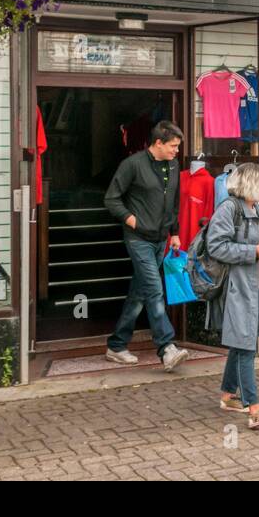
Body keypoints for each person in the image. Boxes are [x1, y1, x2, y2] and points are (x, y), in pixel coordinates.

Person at [103, 120, 190, 371]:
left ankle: (117, 345)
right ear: (158, 143)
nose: (176, 151)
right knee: (154, 289)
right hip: (138, 238)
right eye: (173, 146)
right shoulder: (132, 164)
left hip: (161, 239)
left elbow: (174, 201)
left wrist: (174, 233)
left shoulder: (173, 165)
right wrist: (132, 220)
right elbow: (111, 198)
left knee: (139, 294)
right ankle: (166, 347)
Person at [205, 163, 259, 429]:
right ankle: (255, 410)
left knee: (241, 344)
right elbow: (216, 246)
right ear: (251, 183)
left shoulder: (258, 211)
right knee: (247, 348)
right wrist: (253, 253)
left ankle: (228, 396)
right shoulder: (229, 209)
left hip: (258, 287)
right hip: (238, 290)